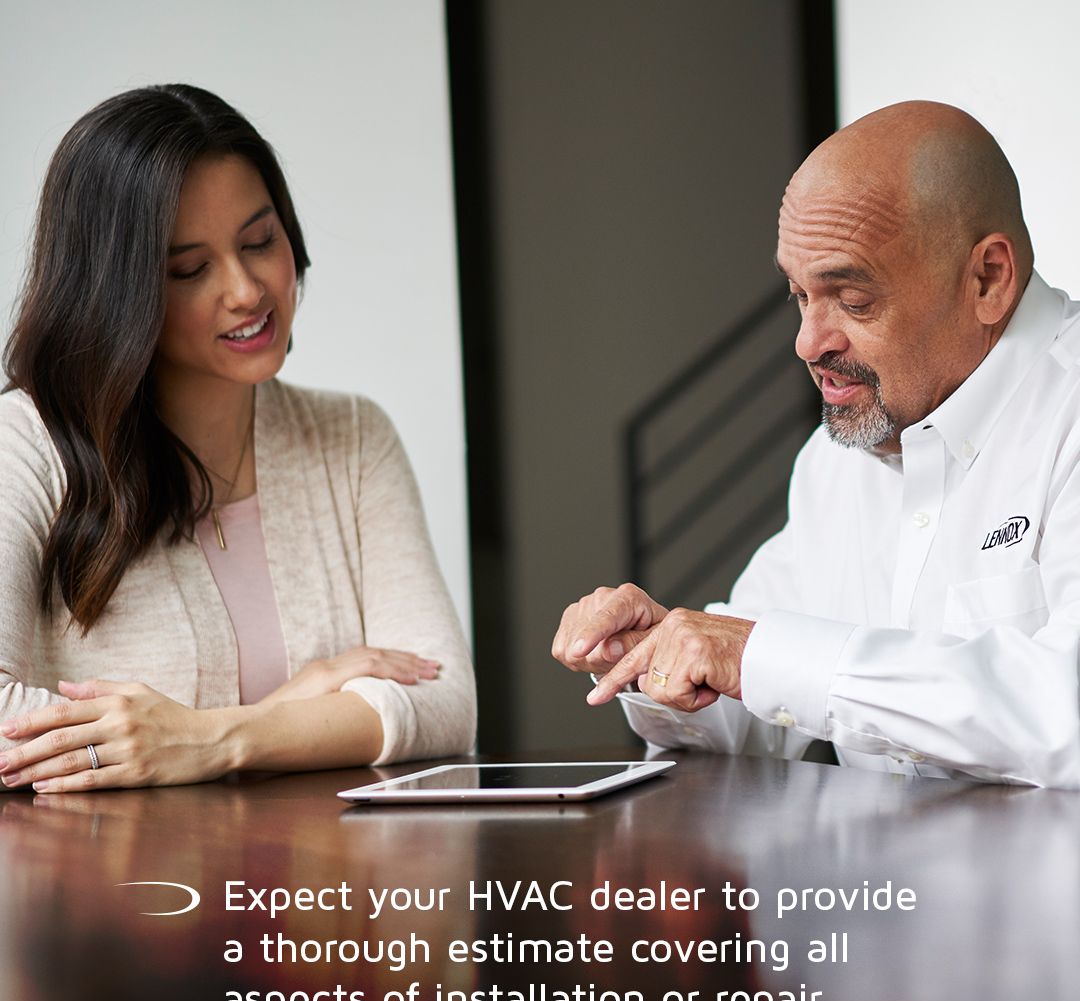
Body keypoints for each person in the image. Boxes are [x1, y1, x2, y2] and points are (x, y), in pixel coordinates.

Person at [552, 101, 1080, 789]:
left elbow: (1064, 711)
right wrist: (656, 655)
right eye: (799, 296)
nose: (808, 343)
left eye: (852, 300)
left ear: (987, 279)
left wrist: (758, 657)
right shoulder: (838, 458)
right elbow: (753, 705)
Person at [0, 84, 475, 792]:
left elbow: (442, 702)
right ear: (117, 292)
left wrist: (211, 738)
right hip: (110, 896)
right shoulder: (29, 446)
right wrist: (300, 706)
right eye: (190, 269)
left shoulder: (352, 439)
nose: (248, 291)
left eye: (260, 241)